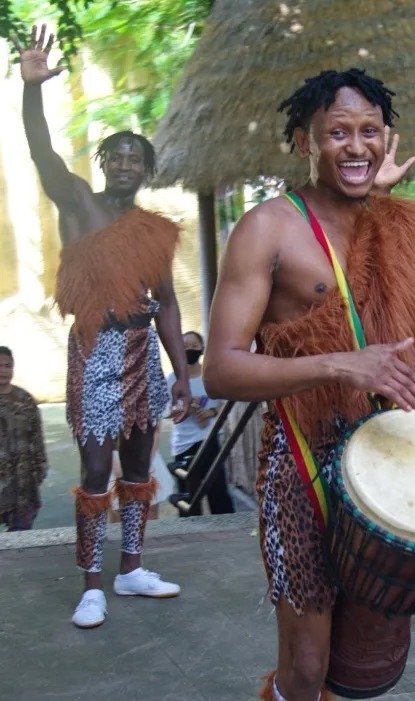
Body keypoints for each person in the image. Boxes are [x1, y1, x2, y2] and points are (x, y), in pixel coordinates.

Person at [203, 68, 415, 701]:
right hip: (303, 469)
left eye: (369, 131)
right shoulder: (268, 228)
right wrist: (340, 364)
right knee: (309, 670)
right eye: (338, 133)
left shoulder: (408, 228)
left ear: (386, 140)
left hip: (400, 458)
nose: (355, 147)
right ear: (306, 142)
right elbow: (220, 368)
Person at [15, 24, 188, 630]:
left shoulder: (155, 231)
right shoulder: (77, 204)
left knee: (140, 468)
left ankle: (132, 568)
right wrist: (32, 90)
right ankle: (93, 583)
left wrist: (184, 375)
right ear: (102, 164)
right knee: (95, 471)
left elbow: (165, 303)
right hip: (96, 349)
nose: (122, 162)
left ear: (145, 169)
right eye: (113, 154)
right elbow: (40, 152)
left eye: (133, 156)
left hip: (144, 352)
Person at [167, 330, 234, 516]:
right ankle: (191, 536)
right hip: (183, 444)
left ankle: (226, 533)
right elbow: (169, 413)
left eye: (194, 346)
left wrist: (211, 412)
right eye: (185, 347)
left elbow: (227, 402)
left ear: (202, 349)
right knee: (188, 499)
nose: (190, 350)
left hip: (208, 440)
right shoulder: (173, 379)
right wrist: (188, 409)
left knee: (218, 493)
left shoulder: (210, 375)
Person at [0, 347, 48, 531]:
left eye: (7, 365)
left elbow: (37, 437)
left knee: (20, 532)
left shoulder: (25, 399)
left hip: (22, 480)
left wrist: (40, 466)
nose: (3, 370)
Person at [107, 425, 171, 523]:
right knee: (117, 514)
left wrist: (147, 461)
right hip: (115, 456)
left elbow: (156, 428)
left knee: (150, 512)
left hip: (146, 456)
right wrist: (113, 460)